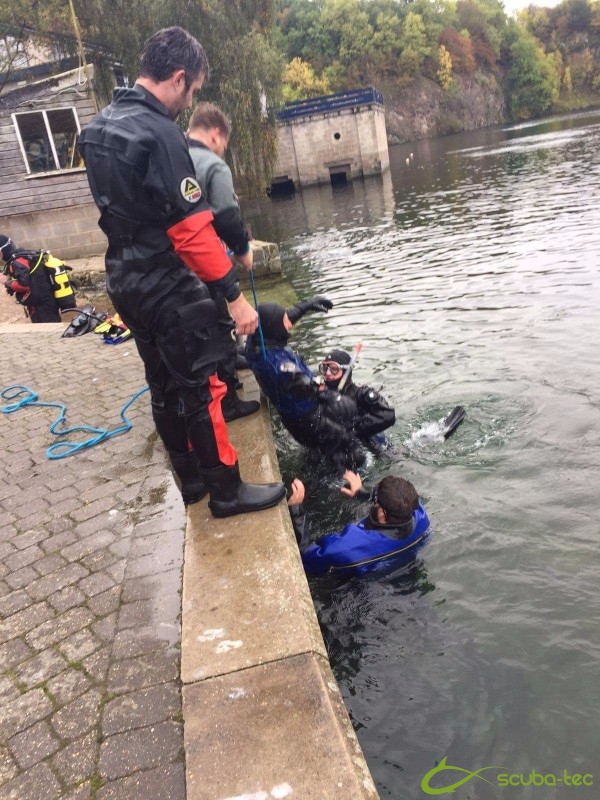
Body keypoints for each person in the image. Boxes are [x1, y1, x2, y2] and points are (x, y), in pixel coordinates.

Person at [77, 26, 285, 517]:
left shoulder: (99, 128)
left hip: (123, 280)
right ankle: (227, 490)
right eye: (192, 90)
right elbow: (191, 231)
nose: (190, 101)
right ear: (178, 77)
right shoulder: (161, 134)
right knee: (202, 387)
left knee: (162, 383)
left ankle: (191, 481)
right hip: (166, 283)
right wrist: (234, 297)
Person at [186, 101, 258, 423]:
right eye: (224, 145)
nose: (222, 151)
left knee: (200, 330)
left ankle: (218, 378)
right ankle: (228, 400)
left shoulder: (172, 156)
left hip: (177, 266)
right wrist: (243, 250)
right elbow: (227, 216)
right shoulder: (213, 166)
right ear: (216, 135)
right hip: (205, 264)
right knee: (222, 324)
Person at [245, 300, 366, 470]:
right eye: (285, 321)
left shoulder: (257, 341)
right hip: (306, 420)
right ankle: (350, 477)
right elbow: (301, 383)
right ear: (274, 328)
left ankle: (316, 461)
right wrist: (332, 397)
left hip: (297, 417)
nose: (289, 324)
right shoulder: (276, 365)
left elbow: (278, 320)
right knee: (349, 446)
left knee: (322, 447)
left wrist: (304, 306)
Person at [287, 470, 430, 577]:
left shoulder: (348, 547)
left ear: (383, 514)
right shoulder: (421, 516)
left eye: (376, 500)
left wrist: (296, 510)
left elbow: (308, 557)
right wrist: (361, 492)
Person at [319, 348, 395, 443]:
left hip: (367, 443)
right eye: (324, 368)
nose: (327, 373)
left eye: (334, 369)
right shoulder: (321, 394)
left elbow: (388, 415)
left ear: (346, 371)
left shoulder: (361, 393)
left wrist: (352, 432)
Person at [0, 235, 76, 323]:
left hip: (41, 304)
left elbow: (24, 285)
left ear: (2, 250)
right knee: (51, 325)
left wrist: (6, 281)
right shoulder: (24, 255)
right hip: (46, 299)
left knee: (48, 328)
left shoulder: (18, 261)